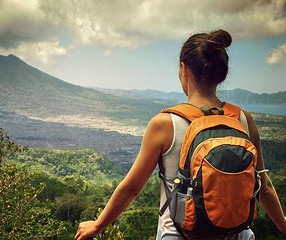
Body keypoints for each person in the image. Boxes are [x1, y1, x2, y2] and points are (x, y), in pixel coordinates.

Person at [74, 29, 286, 240]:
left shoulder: (166, 123)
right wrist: (284, 225)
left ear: (184, 69)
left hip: (179, 235)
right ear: (221, 75)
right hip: (238, 234)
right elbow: (263, 187)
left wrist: (98, 225)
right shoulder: (243, 119)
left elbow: (131, 188)